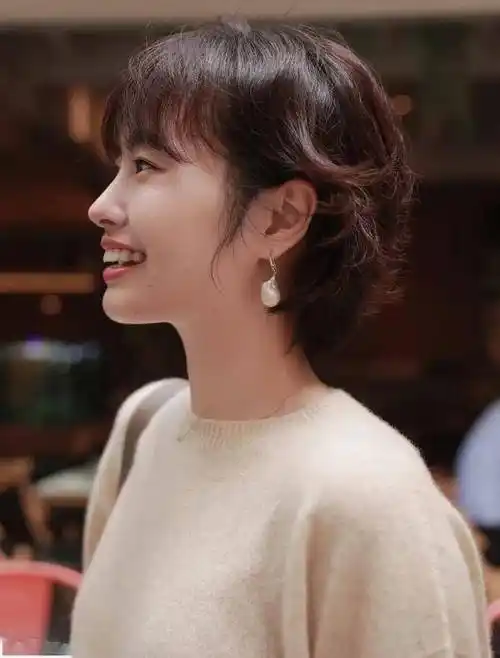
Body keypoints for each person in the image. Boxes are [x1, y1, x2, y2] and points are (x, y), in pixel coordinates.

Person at [71, 20, 491, 658]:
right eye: (119, 166)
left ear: (280, 217)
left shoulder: (368, 500)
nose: (102, 204)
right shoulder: (145, 430)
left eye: (147, 165)